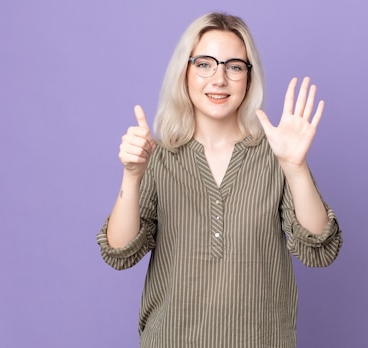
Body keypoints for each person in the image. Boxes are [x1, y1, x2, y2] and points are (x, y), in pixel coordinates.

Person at [96, 12, 342, 347]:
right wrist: (132, 174)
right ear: (185, 71)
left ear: (249, 78)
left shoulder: (276, 154)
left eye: (234, 66)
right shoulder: (158, 156)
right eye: (205, 64)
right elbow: (120, 253)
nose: (219, 78)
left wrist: (295, 166)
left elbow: (320, 248)